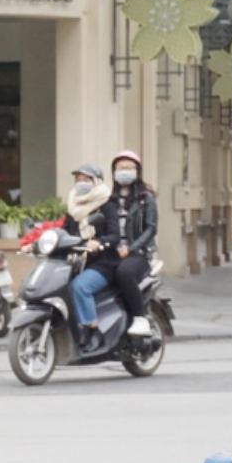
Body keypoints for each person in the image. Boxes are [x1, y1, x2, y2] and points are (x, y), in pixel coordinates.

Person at [68, 151, 158, 350]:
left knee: (123, 272)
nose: (124, 172)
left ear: (137, 171)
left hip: (137, 253)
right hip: (111, 252)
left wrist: (132, 247)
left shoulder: (146, 198)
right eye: (120, 168)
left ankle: (139, 318)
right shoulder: (108, 199)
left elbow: (151, 228)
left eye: (129, 168)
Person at [63, 164, 112, 353]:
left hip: (103, 261)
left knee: (79, 286)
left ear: (96, 181)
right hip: (78, 260)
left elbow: (115, 235)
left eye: (86, 179)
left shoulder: (107, 204)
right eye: (78, 179)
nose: (81, 183)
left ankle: (92, 330)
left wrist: (99, 242)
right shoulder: (73, 205)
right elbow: (65, 230)